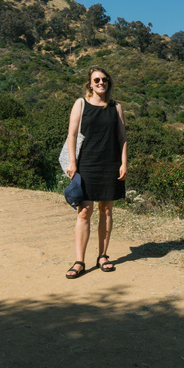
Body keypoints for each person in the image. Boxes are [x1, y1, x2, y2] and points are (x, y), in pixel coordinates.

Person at [64, 68, 128, 279]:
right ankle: (79, 261)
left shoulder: (116, 107)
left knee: (107, 210)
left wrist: (124, 162)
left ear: (109, 83)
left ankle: (102, 256)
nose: (101, 82)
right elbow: (72, 135)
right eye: (97, 80)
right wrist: (73, 163)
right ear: (90, 84)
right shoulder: (80, 104)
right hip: (87, 163)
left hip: (110, 163)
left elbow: (122, 138)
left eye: (105, 80)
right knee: (84, 211)